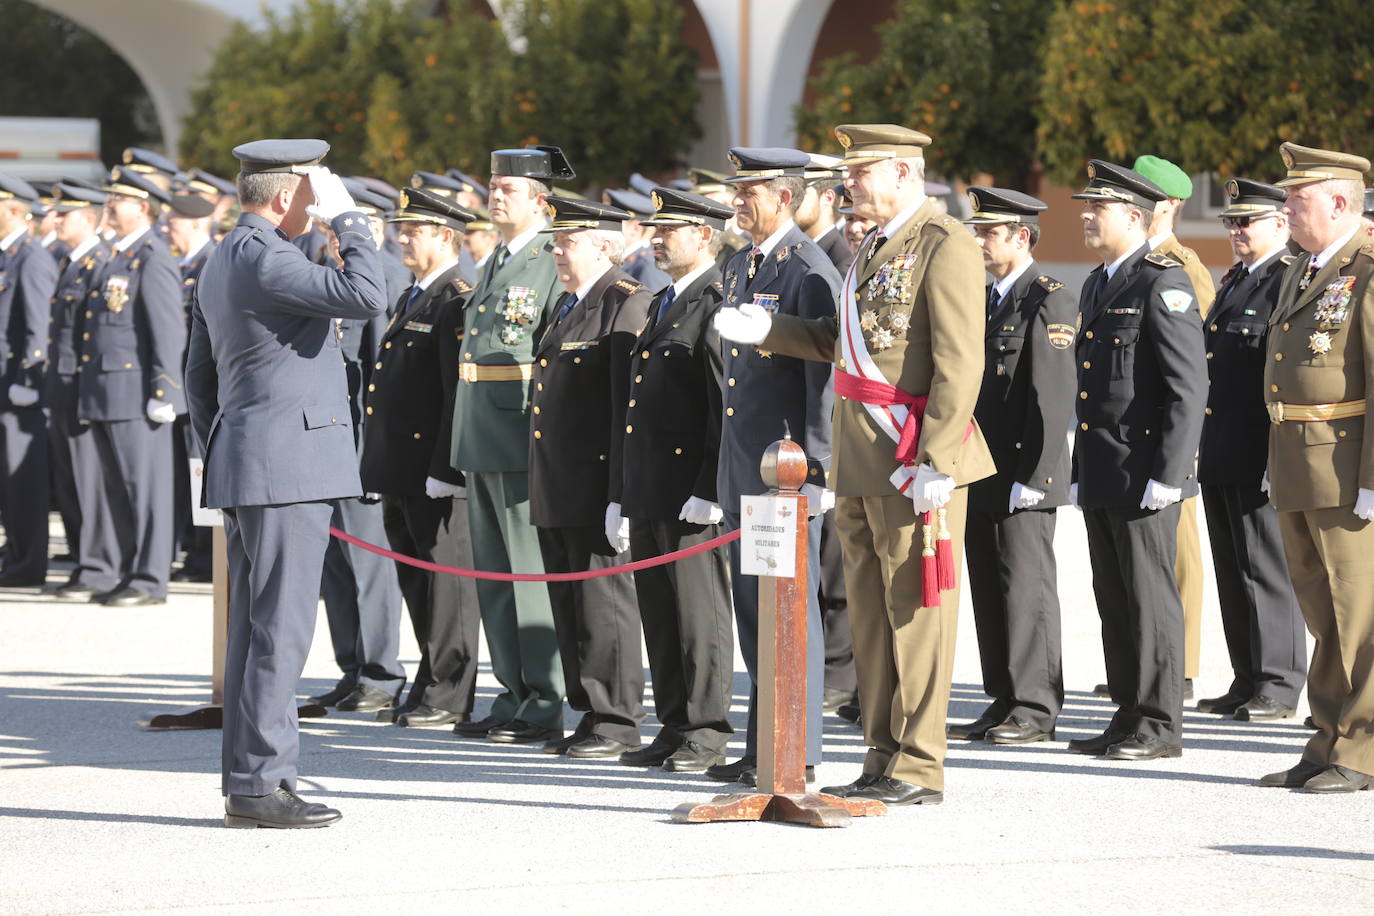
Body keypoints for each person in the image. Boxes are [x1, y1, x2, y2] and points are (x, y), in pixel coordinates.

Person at [717, 124, 995, 806]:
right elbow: (837, 344)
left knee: (915, 613)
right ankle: (880, 752)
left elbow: (960, 361)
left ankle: (920, 763)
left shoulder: (944, 243)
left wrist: (934, 457)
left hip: (912, 459)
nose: (846, 183)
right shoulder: (872, 245)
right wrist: (771, 331)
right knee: (871, 617)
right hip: (862, 457)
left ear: (903, 171)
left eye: (860, 171)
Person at [186, 138, 387, 828]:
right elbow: (366, 293)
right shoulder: (267, 257)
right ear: (283, 197)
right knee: (281, 631)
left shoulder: (227, 255)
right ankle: (262, 781)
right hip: (284, 468)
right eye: (311, 190)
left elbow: (198, 375)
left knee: (255, 630)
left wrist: (231, 442)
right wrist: (349, 221)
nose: (317, 201)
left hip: (253, 460)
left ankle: (253, 778)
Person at [1067, 160, 1206, 761]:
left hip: (1146, 469)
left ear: (1134, 216)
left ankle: (1159, 724)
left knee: (1151, 598)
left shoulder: (1163, 281)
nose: (1085, 216)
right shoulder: (1100, 281)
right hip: (1104, 466)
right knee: (1115, 596)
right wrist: (1079, 470)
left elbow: (1188, 387)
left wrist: (1169, 476)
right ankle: (1127, 712)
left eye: (1097, 207)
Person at [708, 147, 839, 784]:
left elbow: (822, 377)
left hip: (786, 473)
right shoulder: (741, 263)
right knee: (758, 611)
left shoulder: (808, 268)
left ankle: (801, 748)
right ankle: (767, 740)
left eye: (750, 190)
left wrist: (818, 468)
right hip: (747, 469)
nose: (738, 200)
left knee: (794, 611)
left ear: (785, 197)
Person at [1260, 143, 1374, 793]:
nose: (1286, 210)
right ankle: (1328, 736)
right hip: (1301, 461)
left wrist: (1372, 481)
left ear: (1339, 202)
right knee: (1324, 615)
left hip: (1347, 465)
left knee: (1359, 616)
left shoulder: (1369, 266)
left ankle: (1362, 750)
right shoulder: (1302, 268)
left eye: (1296, 200)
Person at [449, 146, 572, 745]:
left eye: (510, 188)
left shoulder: (549, 260)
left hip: (520, 431)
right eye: (493, 185)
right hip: (479, 430)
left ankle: (545, 698)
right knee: (493, 575)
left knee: (527, 571)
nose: (495, 195)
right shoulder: (497, 258)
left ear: (541, 201)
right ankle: (513, 691)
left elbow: (550, 356)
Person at [612, 187, 737, 770]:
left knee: (698, 612)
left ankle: (707, 730)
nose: (657, 238)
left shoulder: (716, 301)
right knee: (659, 613)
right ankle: (673, 722)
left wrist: (711, 488)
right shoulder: (665, 300)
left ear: (705, 236)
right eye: (656, 230)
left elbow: (722, 403)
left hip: (690, 490)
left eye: (672, 230)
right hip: (651, 486)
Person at [947, 187, 1075, 745]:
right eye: (976, 231)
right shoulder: (983, 298)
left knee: (1027, 590)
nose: (977, 241)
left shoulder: (1046, 299)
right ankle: (1002, 696)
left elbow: (1052, 398)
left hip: (1023, 472)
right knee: (989, 587)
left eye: (988, 232)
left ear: (1021, 237)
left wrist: (1040, 476)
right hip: (981, 469)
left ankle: (1035, 704)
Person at [529, 197, 650, 758]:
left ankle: (618, 718)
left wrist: (618, 494)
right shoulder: (569, 304)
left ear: (604, 246)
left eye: (566, 243)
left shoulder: (623, 303)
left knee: (605, 602)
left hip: (594, 481)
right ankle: (591, 710)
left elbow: (626, 407)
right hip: (558, 481)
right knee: (570, 601)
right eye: (555, 242)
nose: (556, 252)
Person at [359, 187, 481, 728]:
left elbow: (456, 394)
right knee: (417, 580)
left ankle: (450, 690)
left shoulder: (455, 296)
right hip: (400, 470)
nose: (402, 237)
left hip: (431, 470)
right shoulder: (415, 294)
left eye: (415, 230)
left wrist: (445, 468)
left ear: (447, 237)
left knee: (446, 582)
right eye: (401, 229)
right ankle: (430, 677)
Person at [1196, 178, 1305, 722]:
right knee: (1232, 567)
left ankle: (1280, 684)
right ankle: (1247, 677)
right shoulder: (1237, 280)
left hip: (1258, 449)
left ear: (1280, 225)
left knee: (1266, 566)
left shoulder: (1285, 282)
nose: (1236, 230)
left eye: (1247, 221)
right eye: (1231, 222)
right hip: (1221, 448)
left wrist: (1274, 456)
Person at [311, 181, 408, 715]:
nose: (332, 236)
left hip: (357, 447)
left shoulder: (386, 278)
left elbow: (379, 378)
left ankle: (381, 673)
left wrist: (373, 461)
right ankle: (352, 667)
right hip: (325, 443)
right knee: (335, 566)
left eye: (341, 226)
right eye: (328, 227)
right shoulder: (327, 275)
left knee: (370, 566)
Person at [1127, 154, 1217, 701]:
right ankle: (1148, 660)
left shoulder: (1184, 267)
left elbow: (1195, 360)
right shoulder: (1130, 263)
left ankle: (1179, 665)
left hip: (1171, 430)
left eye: (1152, 198)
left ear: (1172, 206)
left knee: (1177, 546)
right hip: (1134, 433)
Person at [74, 167, 184, 607]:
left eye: (116, 201)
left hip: (138, 394)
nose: (108, 207)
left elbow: (166, 331)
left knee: (146, 490)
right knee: (118, 489)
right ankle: (128, 570)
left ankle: (150, 578)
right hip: (106, 392)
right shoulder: (116, 257)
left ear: (141, 207)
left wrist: (165, 390)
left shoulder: (152, 257)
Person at [44, 183, 111, 588]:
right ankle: (84, 559)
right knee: (70, 481)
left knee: (89, 483)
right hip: (63, 386)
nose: (54, 220)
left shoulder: (99, 262)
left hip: (82, 389)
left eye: (63, 214)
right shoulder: (71, 262)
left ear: (87, 219)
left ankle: (96, 565)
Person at [0, 175, 57, 586]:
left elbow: (39, 326)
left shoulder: (31, 256)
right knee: (7, 480)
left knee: (22, 483)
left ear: (15, 210)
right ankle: (14, 553)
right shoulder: (9, 255)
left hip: (18, 388)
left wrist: (29, 378)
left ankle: (27, 564)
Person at [165, 192, 217, 583]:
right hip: (184, 385)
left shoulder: (210, 263)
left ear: (198, 224)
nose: (169, 228)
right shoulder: (181, 263)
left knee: (201, 469)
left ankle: (205, 557)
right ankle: (192, 550)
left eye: (176, 223)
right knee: (187, 474)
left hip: (203, 387)